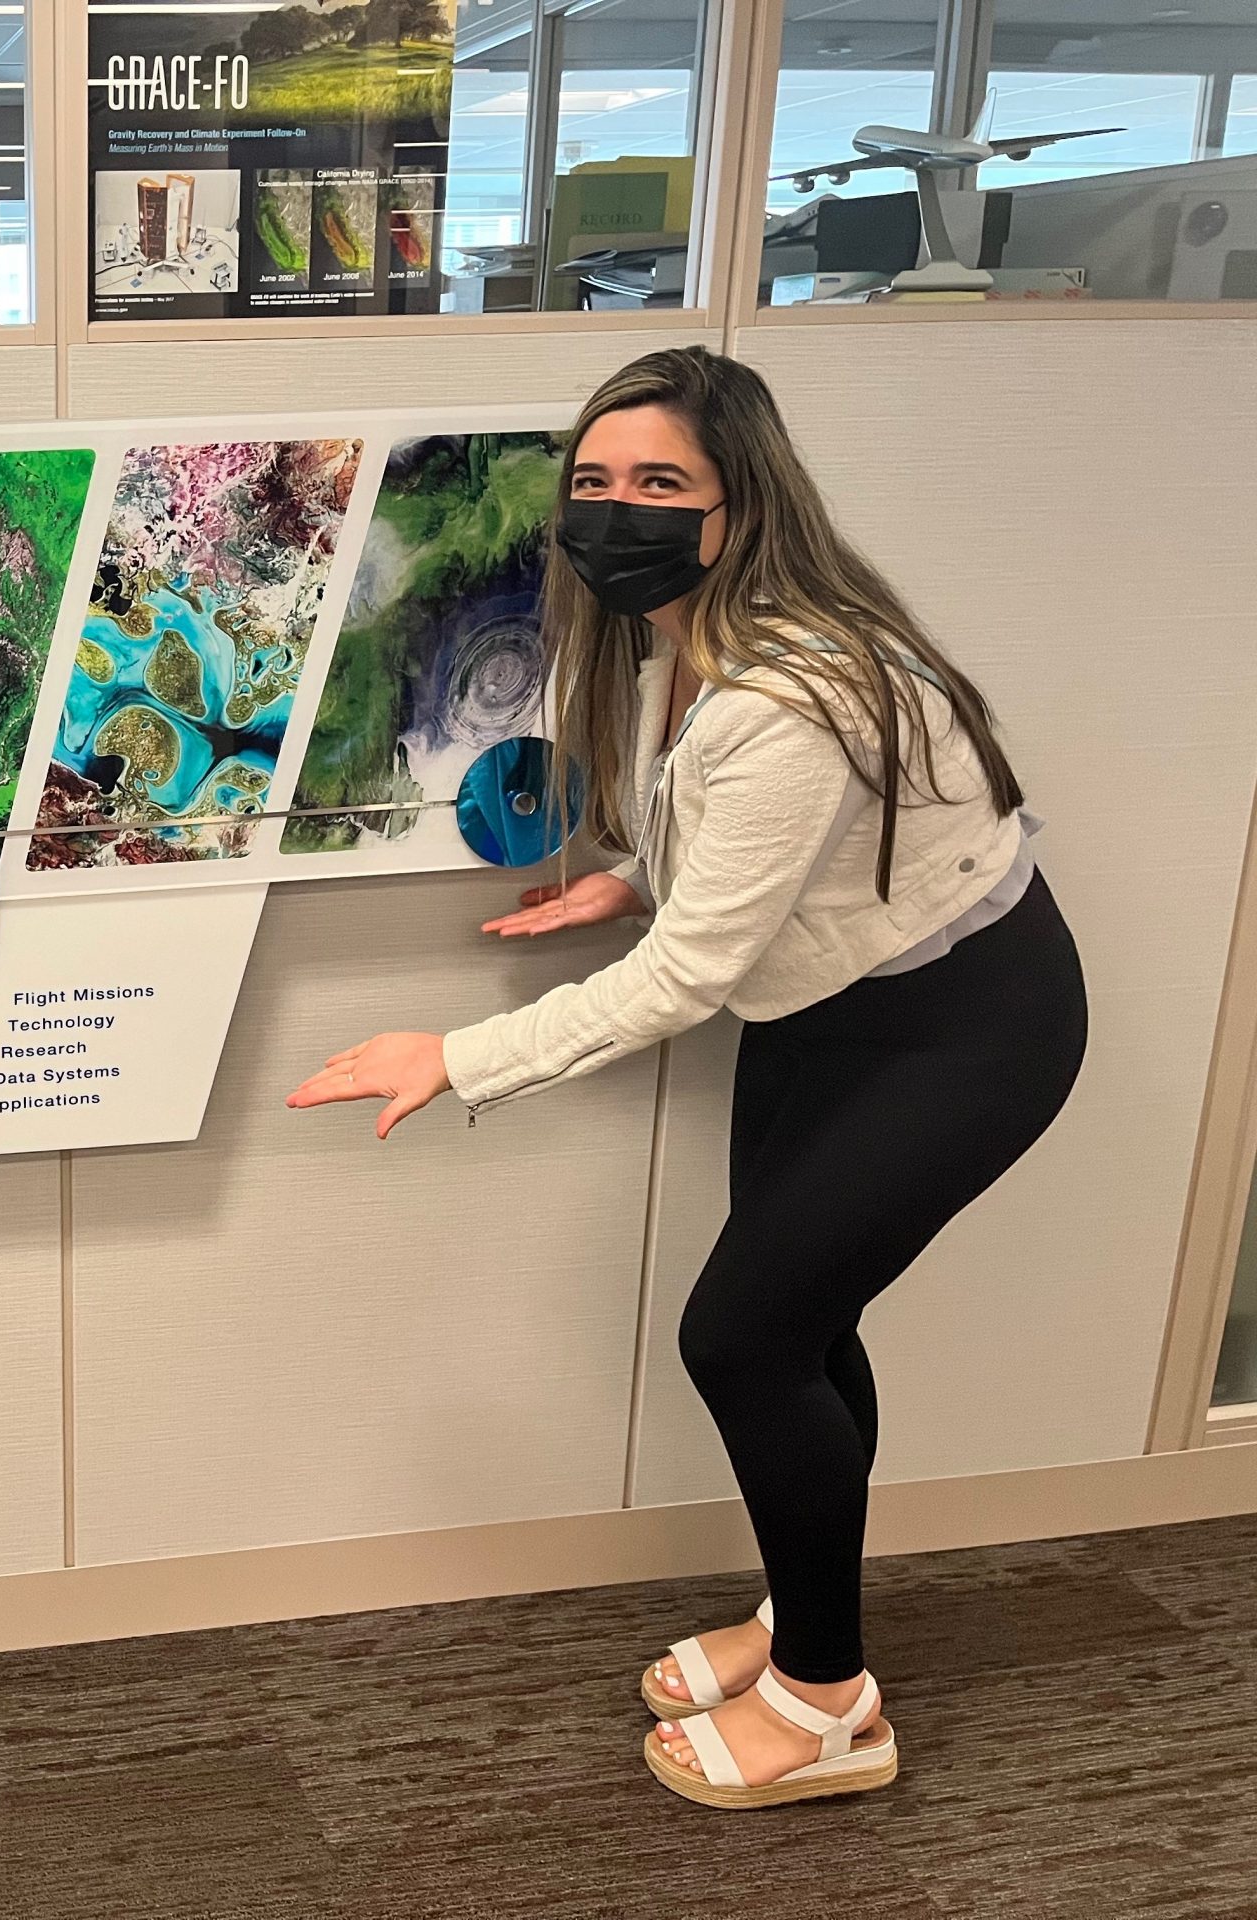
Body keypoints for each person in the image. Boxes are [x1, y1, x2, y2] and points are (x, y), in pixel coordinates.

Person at [285, 346, 1087, 1810]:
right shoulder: (696, 630)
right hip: (835, 1001)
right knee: (798, 1322)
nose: (616, 509)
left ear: (740, 507)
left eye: (661, 484)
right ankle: (807, 1612)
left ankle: (832, 1702)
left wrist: (453, 1057)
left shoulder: (791, 688)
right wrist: (639, 876)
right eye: (594, 481)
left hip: (967, 1024)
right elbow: (743, 847)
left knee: (743, 1337)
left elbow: (689, 982)